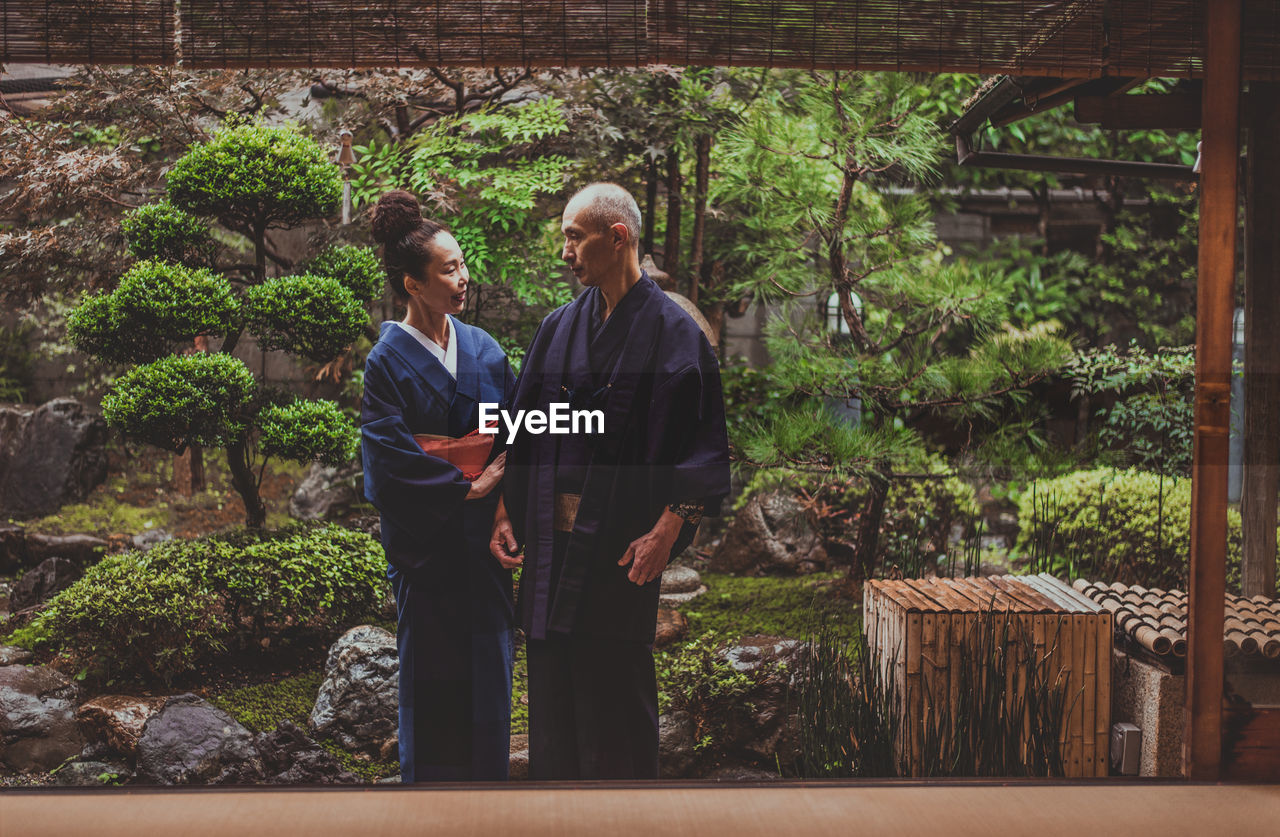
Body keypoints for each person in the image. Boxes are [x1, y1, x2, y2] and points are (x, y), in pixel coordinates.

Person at [490, 183, 731, 780]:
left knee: (616, 690)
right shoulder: (557, 328)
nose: (564, 251)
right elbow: (518, 424)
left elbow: (701, 447)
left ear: (616, 237)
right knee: (552, 694)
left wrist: (668, 531)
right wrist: (500, 511)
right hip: (550, 541)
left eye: (574, 236)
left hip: (622, 547)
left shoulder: (678, 336)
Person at [361, 189, 517, 782]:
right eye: (449, 269)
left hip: (482, 542)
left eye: (463, 264)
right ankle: (430, 804)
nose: (464, 278)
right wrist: (460, 486)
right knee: (432, 678)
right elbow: (387, 452)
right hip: (427, 545)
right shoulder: (387, 361)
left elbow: (512, 433)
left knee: (490, 670)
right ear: (413, 284)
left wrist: (500, 505)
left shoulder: (484, 349)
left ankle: (491, 800)